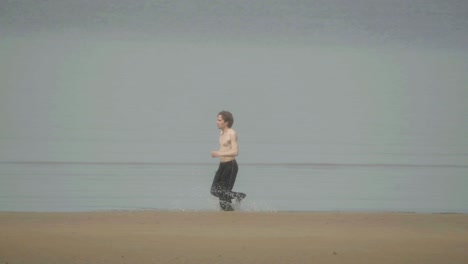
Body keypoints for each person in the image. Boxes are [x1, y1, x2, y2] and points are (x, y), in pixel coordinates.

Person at [210, 111, 246, 211]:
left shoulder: (232, 134)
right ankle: (236, 199)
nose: (217, 122)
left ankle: (239, 196)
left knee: (223, 200)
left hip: (231, 166)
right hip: (222, 166)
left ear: (226, 122)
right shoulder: (221, 132)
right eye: (217, 119)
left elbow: (235, 152)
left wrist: (218, 154)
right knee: (214, 190)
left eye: (219, 120)